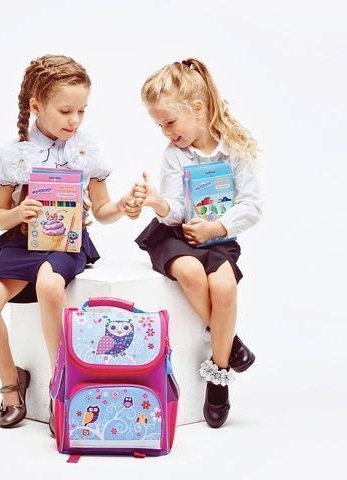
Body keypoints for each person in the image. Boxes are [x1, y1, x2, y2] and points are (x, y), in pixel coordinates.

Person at [0, 55, 140, 431]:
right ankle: (11, 386)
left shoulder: (87, 149)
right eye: (65, 111)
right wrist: (19, 212)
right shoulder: (13, 154)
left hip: (67, 242)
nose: (75, 120)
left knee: (50, 283)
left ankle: (60, 385)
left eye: (82, 110)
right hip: (22, 242)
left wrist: (122, 207)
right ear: (36, 106)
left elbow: (102, 209)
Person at [133, 58, 262, 428]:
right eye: (159, 125)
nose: (166, 132)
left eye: (170, 122)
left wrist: (216, 227)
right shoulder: (174, 154)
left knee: (224, 287)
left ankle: (218, 378)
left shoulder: (234, 150)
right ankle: (230, 342)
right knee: (189, 271)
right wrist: (158, 203)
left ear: (198, 108)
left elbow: (252, 207)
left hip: (218, 238)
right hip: (177, 236)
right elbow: (175, 210)